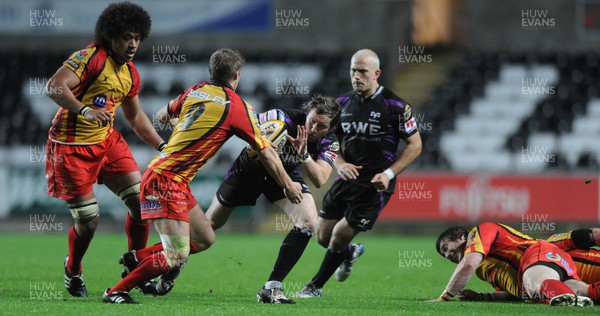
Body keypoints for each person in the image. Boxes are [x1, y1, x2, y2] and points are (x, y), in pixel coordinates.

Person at [102, 48, 304, 304]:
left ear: (212, 71)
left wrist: (183, 136)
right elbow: (265, 152)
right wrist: (288, 184)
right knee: (176, 254)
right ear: (236, 75)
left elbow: (162, 116)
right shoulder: (238, 107)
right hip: (166, 181)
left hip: (168, 176)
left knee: (204, 237)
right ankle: (116, 291)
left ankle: (138, 258)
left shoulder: (195, 91)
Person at [44, 2, 164, 298]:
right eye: (126, 37)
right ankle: (73, 269)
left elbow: (135, 118)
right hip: (70, 149)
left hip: (107, 143)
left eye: (137, 37)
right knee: (89, 222)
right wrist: (84, 110)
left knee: (143, 204)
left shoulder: (130, 73)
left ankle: (135, 268)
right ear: (110, 36)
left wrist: (163, 147)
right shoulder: (89, 58)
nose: (133, 44)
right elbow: (54, 86)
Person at [295, 49, 423, 298]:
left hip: (376, 185)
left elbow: (415, 145)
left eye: (362, 71)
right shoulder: (341, 105)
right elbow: (330, 141)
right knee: (322, 236)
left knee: (339, 235)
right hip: (346, 179)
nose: (357, 75)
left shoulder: (396, 106)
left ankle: (314, 286)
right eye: (353, 70)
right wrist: (339, 163)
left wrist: (389, 173)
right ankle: (350, 253)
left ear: (376, 73)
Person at [203, 95, 341, 304]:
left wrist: (304, 156)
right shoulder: (280, 118)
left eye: (321, 126)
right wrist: (287, 184)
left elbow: (320, 178)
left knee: (308, 222)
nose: (313, 129)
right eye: (312, 121)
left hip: (284, 175)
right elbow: (256, 143)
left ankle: (271, 286)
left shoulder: (330, 141)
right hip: (249, 170)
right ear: (308, 112)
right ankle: (168, 267)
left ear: (331, 127)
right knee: (209, 226)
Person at [433, 223, 599, 306]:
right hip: (544, 270)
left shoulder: (481, 230)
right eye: (443, 255)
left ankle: (570, 304)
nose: (447, 255)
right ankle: (575, 299)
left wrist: (445, 297)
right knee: (581, 292)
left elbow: (468, 264)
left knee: (535, 285)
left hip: (535, 254)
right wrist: (482, 297)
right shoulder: (483, 270)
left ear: (462, 237)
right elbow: (515, 294)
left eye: (446, 248)